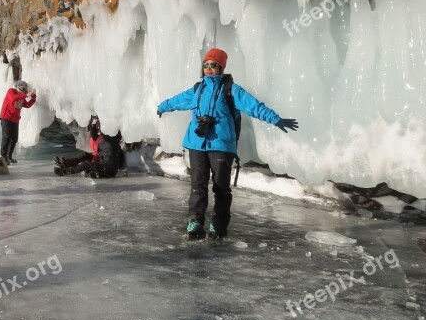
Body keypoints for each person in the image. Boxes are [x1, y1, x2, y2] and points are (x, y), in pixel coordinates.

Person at [157, 48, 298, 241]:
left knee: (221, 187)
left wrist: (275, 119)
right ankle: (195, 221)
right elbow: (178, 100)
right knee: (197, 185)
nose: (208, 68)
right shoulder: (198, 89)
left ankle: (218, 225)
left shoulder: (231, 89)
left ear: (221, 67)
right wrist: (163, 106)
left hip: (221, 145)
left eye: (213, 65)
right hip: (196, 144)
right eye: (205, 65)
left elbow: (254, 106)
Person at [53, 115, 122, 178]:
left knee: (86, 164)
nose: (99, 131)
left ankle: (64, 172)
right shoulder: (105, 142)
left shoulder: (106, 142)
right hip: (105, 165)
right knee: (87, 156)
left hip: (108, 169)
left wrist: (93, 124)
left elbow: (95, 137)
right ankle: (67, 163)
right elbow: (95, 137)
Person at [0, 80, 36, 164]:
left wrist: (33, 99)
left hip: (15, 119)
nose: (25, 91)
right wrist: (26, 95)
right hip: (6, 118)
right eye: (24, 89)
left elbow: (27, 105)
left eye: (25, 89)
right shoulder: (11, 91)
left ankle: (9, 156)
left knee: (14, 138)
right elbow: (13, 98)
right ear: (19, 87)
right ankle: (3, 156)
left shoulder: (21, 96)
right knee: (6, 137)